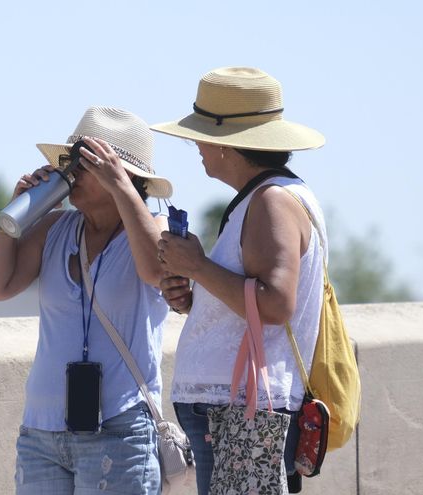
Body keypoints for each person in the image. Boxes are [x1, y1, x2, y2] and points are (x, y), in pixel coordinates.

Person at [0, 106, 173, 495]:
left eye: (86, 163)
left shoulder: (156, 229)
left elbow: (155, 270)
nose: (71, 172)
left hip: (118, 429)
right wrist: (14, 216)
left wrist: (122, 189)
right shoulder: (55, 229)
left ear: (123, 174)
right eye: (70, 161)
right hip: (42, 433)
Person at [150, 67, 328, 494]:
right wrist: (197, 298)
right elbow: (255, 298)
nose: (196, 145)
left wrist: (197, 267)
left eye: (199, 136)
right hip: (236, 409)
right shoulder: (270, 196)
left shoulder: (272, 201)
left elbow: (275, 304)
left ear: (226, 143)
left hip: (240, 411)